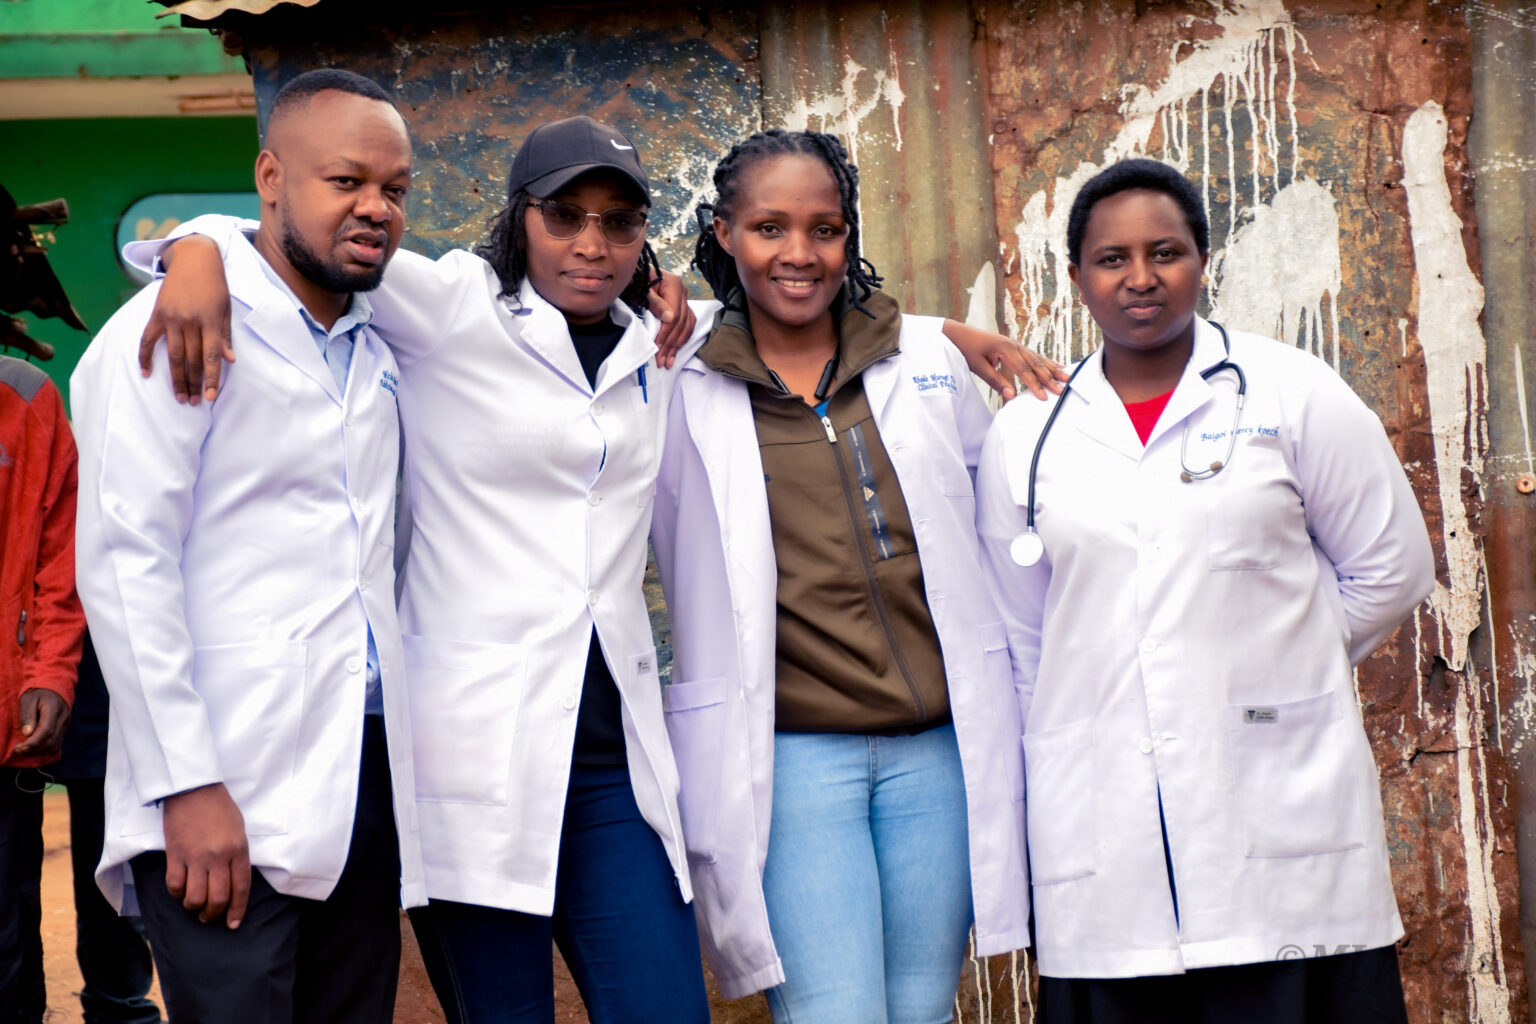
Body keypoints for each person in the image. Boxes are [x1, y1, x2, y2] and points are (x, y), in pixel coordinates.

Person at [129, 110, 1060, 1023]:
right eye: (564, 216)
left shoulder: (660, 340)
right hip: (478, 753)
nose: (591, 242)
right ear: (518, 218)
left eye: (619, 222)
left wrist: (947, 335)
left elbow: (796, 310)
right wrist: (196, 248)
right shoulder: (452, 307)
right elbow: (304, 242)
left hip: (615, 757)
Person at [973, 157, 1433, 1023]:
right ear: (1076, 275)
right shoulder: (1027, 433)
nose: (1140, 278)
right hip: (1105, 830)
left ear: (1202, 261)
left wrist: (1274, 665)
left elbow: (1392, 568)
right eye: (1112, 259)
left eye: (1165, 252)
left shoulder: (1292, 392)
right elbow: (1026, 639)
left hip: (1277, 809)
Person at [649, 128, 1031, 1023]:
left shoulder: (926, 363)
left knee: (923, 1011)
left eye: (824, 230)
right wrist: (647, 282)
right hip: (792, 760)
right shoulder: (675, 372)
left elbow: (997, 535)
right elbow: (565, 293)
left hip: (936, 754)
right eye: (768, 228)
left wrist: (944, 331)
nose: (800, 253)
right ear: (723, 233)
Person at [70, 69, 427, 1024]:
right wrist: (185, 785)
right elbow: (125, 564)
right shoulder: (171, 331)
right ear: (270, 178)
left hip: (359, 783)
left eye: (394, 189)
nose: (375, 207)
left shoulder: (378, 341)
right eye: (345, 180)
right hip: (222, 788)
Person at [0, 349, 84, 1024]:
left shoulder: (24, 394)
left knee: (6, 945)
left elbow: (60, 555)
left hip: (3, 730)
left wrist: (51, 670)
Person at [53, 634, 162, 1024]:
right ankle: (120, 1009)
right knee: (109, 875)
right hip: (96, 708)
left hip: (129, 700)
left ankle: (120, 1007)